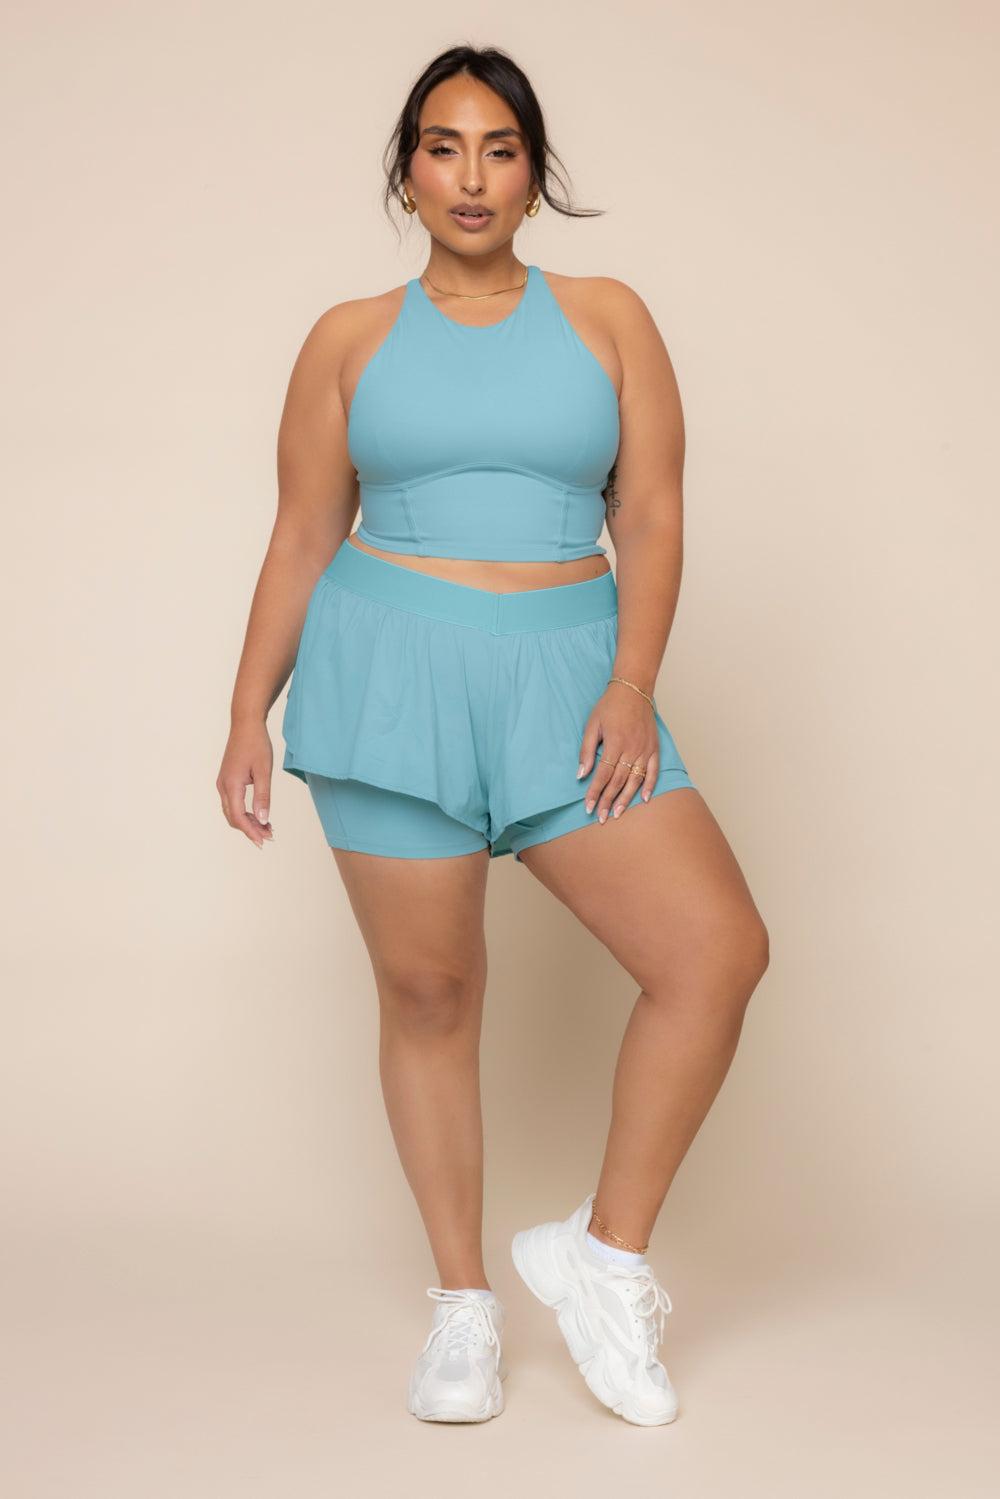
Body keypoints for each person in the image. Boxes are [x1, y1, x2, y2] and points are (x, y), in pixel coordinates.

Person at [216, 44, 769, 1427]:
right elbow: (301, 532)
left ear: (535, 174)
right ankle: (462, 1307)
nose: (472, 175)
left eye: (500, 148)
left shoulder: (609, 317)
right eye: (443, 146)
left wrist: (632, 678)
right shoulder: (348, 338)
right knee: (430, 995)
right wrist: (245, 710)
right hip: (387, 674)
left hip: (571, 679)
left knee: (714, 953)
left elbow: (652, 512)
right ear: (407, 172)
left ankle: (603, 1259)